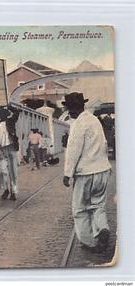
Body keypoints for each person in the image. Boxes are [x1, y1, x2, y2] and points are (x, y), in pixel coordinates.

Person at [62, 92, 112, 252]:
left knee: (80, 209)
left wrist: (67, 173)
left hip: (85, 173)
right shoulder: (94, 120)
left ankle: (89, 242)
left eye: (69, 109)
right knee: (98, 206)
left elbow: (73, 150)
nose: (69, 112)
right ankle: (103, 228)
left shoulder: (78, 124)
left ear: (72, 109)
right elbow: (104, 143)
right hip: (103, 170)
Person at [0, 107, 20, 201]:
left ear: (7, 114)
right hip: (1, 149)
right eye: (1, 114)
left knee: (13, 171)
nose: (2, 115)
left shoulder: (11, 121)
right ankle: (5, 190)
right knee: (2, 171)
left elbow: (17, 112)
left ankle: (13, 192)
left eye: (4, 113)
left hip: (11, 147)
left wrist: (9, 106)